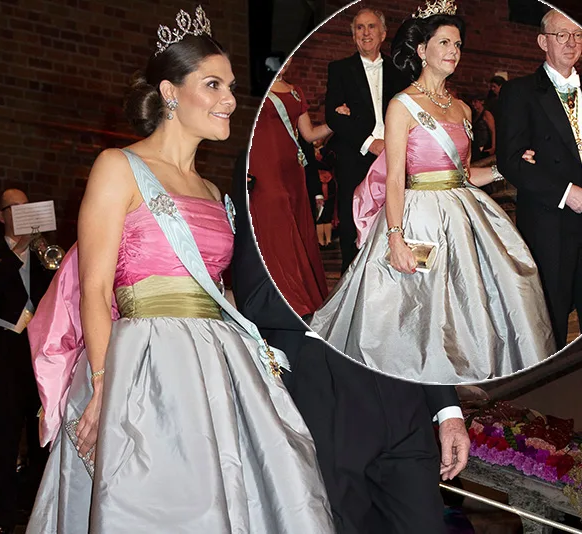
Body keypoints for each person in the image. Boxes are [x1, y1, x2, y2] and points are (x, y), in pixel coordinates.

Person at [26, 8, 334, 533]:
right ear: (170, 92)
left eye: (232, 86)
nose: (231, 100)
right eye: (212, 85)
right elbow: (95, 291)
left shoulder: (215, 192)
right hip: (142, 363)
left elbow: (214, 291)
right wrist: (104, 389)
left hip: (214, 364)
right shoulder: (117, 167)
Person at [310, 1, 556, 384]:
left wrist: (507, 166)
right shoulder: (401, 106)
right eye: (444, 43)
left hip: (464, 214)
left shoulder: (461, 109)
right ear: (422, 51)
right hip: (416, 217)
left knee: (481, 299)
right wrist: (395, 237)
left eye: (457, 45)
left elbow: (465, 176)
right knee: (414, 311)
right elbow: (394, 178)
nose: (453, 52)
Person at [232, 151, 471, 533]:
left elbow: (428, 316)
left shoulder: (419, 194)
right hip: (328, 394)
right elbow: (256, 297)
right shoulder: (258, 180)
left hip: (405, 398)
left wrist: (448, 413)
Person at [497, 8, 582, 350]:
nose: (571, 42)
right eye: (562, 35)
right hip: (552, 220)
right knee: (553, 321)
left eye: (577, 35)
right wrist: (567, 193)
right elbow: (511, 161)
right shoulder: (520, 92)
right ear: (542, 42)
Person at [0, 188, 54, 533]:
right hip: (6, 354)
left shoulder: (43, 254)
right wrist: (18, 251)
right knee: (5, 440)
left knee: (41, 442)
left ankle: (39, 515)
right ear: (1, 216)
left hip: (40, 355)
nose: (20, 212)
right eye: (14, 208)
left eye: (26, 207)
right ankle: (1, 521)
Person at [325, 7, 409, 273]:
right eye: (359, 28)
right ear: (353, 36)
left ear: (383, 33)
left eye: (371, 27)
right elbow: (333, 116)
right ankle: (353, 285)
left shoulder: (400, 71)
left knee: (397, 218)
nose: (365, 33)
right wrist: (369, 142)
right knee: (352, 225)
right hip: (356, 156)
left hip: (396, 156)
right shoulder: (339, 69)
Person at [248, 57, 333, 317]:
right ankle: (284, 296)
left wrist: (337, 123)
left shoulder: (296, 91)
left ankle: (301, 294)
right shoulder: (261, 91)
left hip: (293, 169)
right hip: (265, 166)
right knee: (276, 223)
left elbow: (308, 135)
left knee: (296, 226)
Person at [470, 95, 495, 161]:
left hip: (484, 144)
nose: (473, 104)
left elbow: (493, 130)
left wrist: (493, 147)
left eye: (475, 101)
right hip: (477, 144)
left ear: (482, 102)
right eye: (472, 102)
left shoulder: (486, 114)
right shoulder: (475, 114)